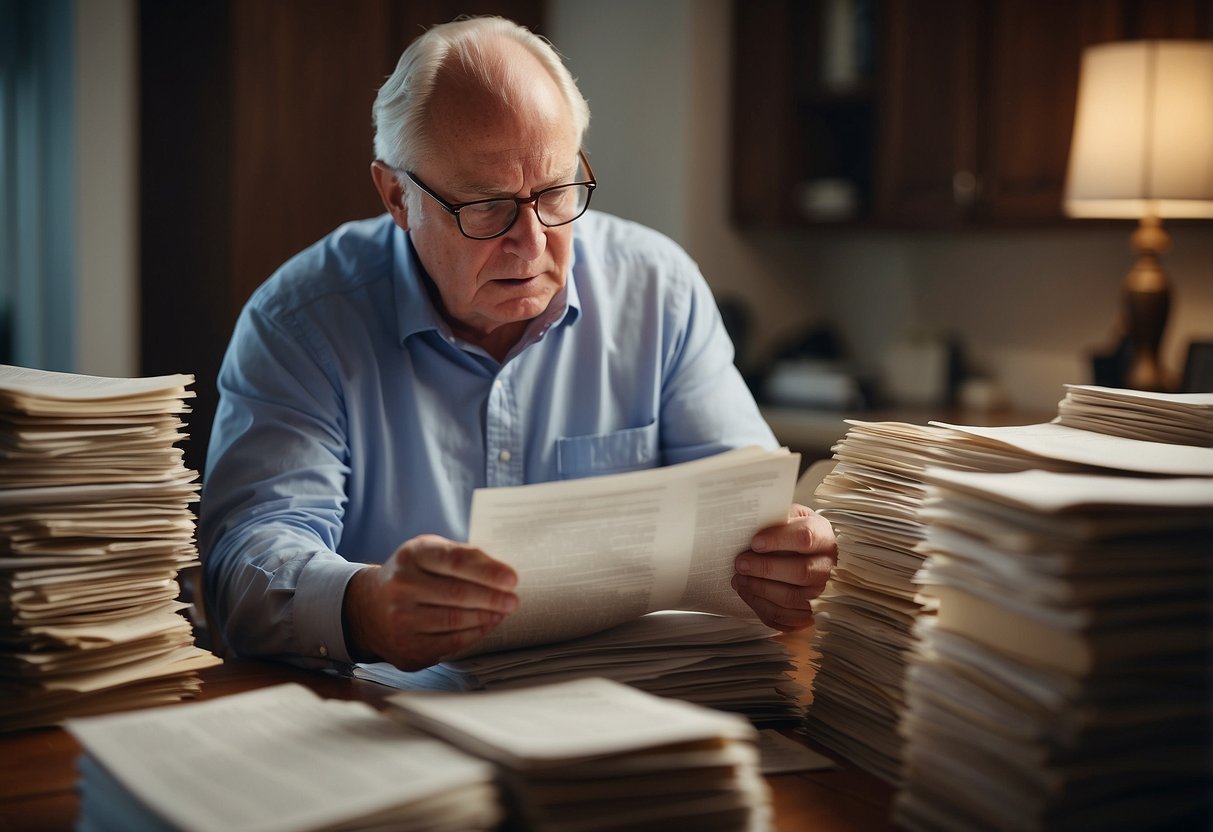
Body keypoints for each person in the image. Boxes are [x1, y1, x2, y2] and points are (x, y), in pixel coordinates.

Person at [198, 16, 837, 673]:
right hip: (381, 724)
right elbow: (245, 556)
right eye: (485, 205)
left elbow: (742, 504)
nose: (531, 244)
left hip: (621, 708)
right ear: (396, 194)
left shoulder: (658, 288)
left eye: (556, 192)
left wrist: (783, 555)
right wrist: (364, 606)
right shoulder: (302, 320)